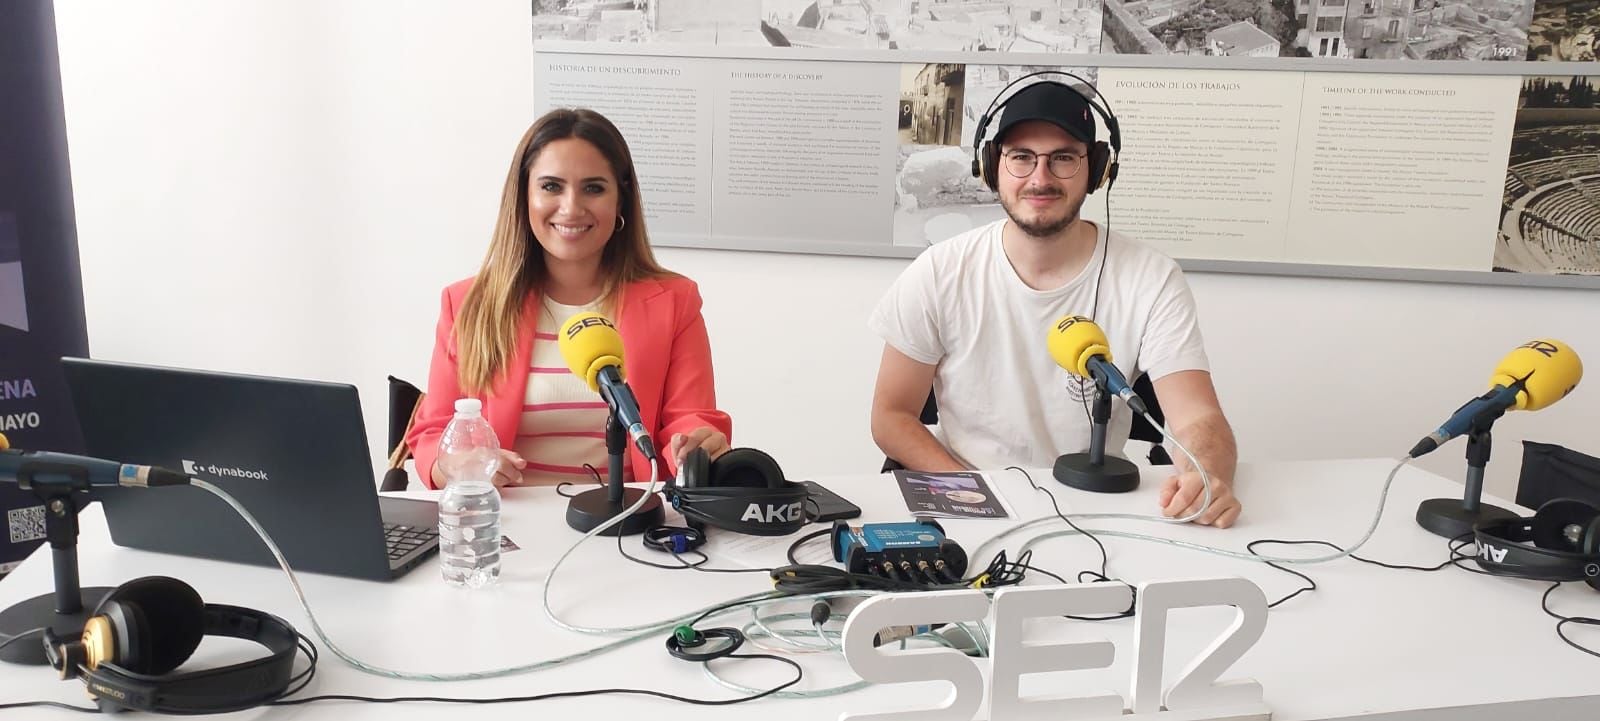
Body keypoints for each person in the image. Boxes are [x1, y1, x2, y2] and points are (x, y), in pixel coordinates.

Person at [868, 81, 1241, 527]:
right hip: (970, 500)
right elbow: (891, 416)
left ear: (1097, 168)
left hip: (1097, 509)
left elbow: (1197, 415)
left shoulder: (1151, 278)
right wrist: (978, 495)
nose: (1040, 178)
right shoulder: (939, 271)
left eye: (1063, 158)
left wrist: (1208, 476)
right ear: (992, 166)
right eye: (1022, 157)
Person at [407, 108, 731, 489]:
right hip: (509, 530)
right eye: (551, 186)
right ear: (523, 196)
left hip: (628, 527)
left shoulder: (675, 301)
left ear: (620, 201)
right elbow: (431, 436)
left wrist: (694, 443)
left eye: (593, 188)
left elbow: (690, 419)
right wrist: (457, 467)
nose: (571, 207)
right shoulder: (467, 303)